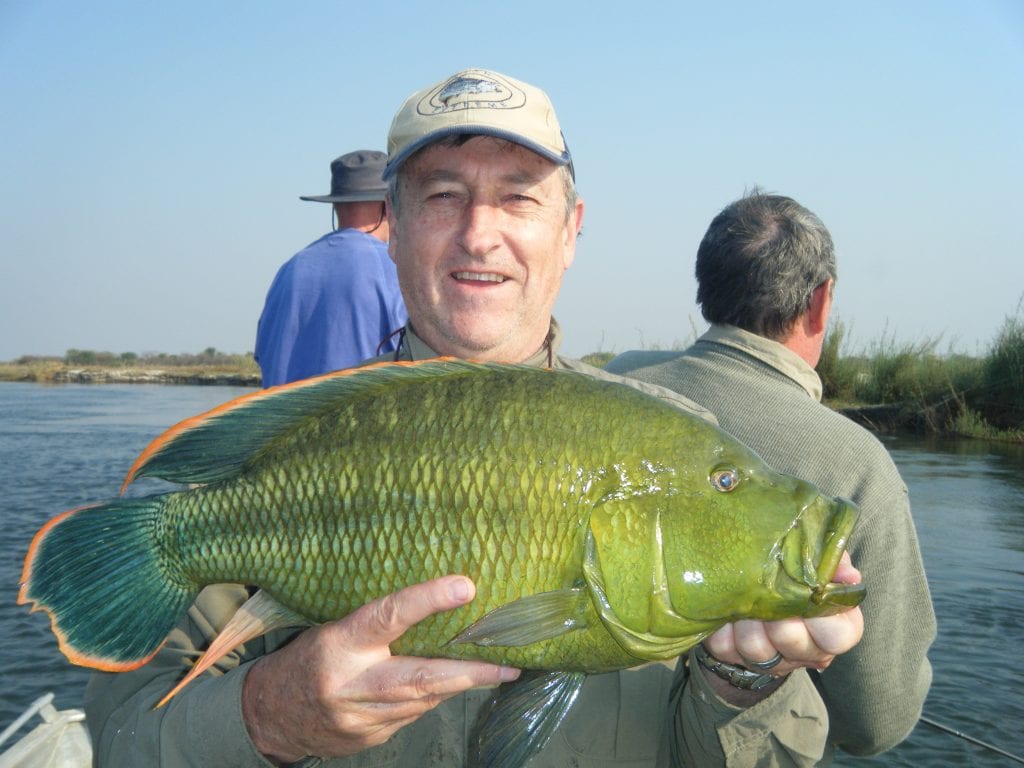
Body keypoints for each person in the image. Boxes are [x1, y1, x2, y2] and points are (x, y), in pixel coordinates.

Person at [84, 71, 864, 767]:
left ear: (571, 230)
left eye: (520, 194)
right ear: (392, 225)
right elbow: (120, 740)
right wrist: (268, 716)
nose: (479, 232)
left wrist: (741, 681)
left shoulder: (682, 436)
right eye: (443, 195)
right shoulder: (299, 452)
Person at [606, 190, 936, 761]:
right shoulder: (858, 465)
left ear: (706, 290)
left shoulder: (613, 386)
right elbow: (876, 723)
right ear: (821, 302)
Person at [254, 150, 408, 387]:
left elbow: (264, 355)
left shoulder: (289, 270)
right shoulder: (394, 268)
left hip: (280, 423)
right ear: (389, 205)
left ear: (335, 205)